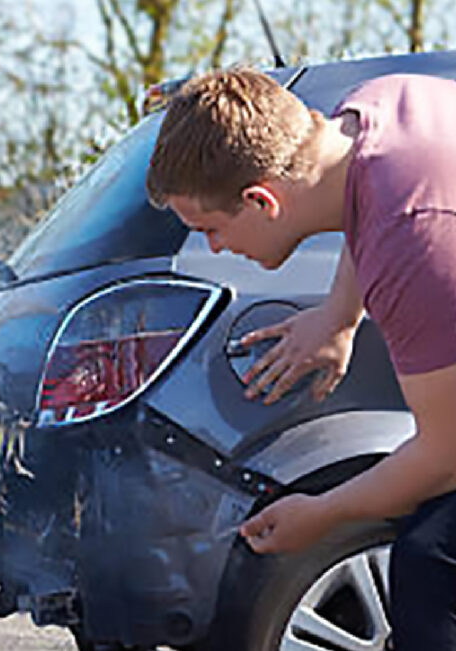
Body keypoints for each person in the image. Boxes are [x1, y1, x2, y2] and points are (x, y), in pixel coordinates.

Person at [146, 66, 456, 649]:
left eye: (209, 228)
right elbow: (372, 208)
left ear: (261, 200)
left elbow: (446, 458)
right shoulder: (376, 107)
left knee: (431, 570)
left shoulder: (416, 244)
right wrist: (339, 316)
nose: (212, 247)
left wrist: (322, 514)